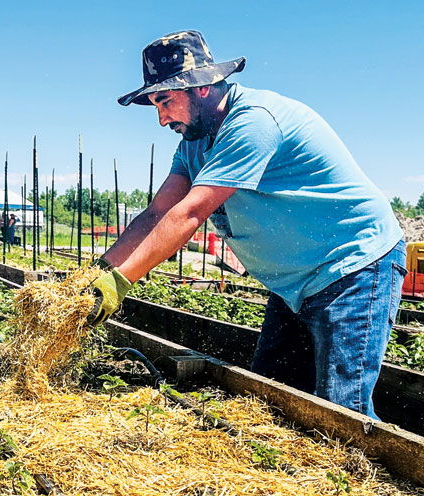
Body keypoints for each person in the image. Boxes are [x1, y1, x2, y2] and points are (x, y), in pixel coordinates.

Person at [87, 30, 405, 418]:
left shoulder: (253, 123)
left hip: (352, 266)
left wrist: (121, 282)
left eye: (166, 101)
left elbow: (189, 214)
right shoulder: (194, 141)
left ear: (200, 88)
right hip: (296, 282)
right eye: (155, 105)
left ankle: (354, 477)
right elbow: (157, 214)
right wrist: (99, 274)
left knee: (341, 412)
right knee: (271, 396)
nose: (161, 118)